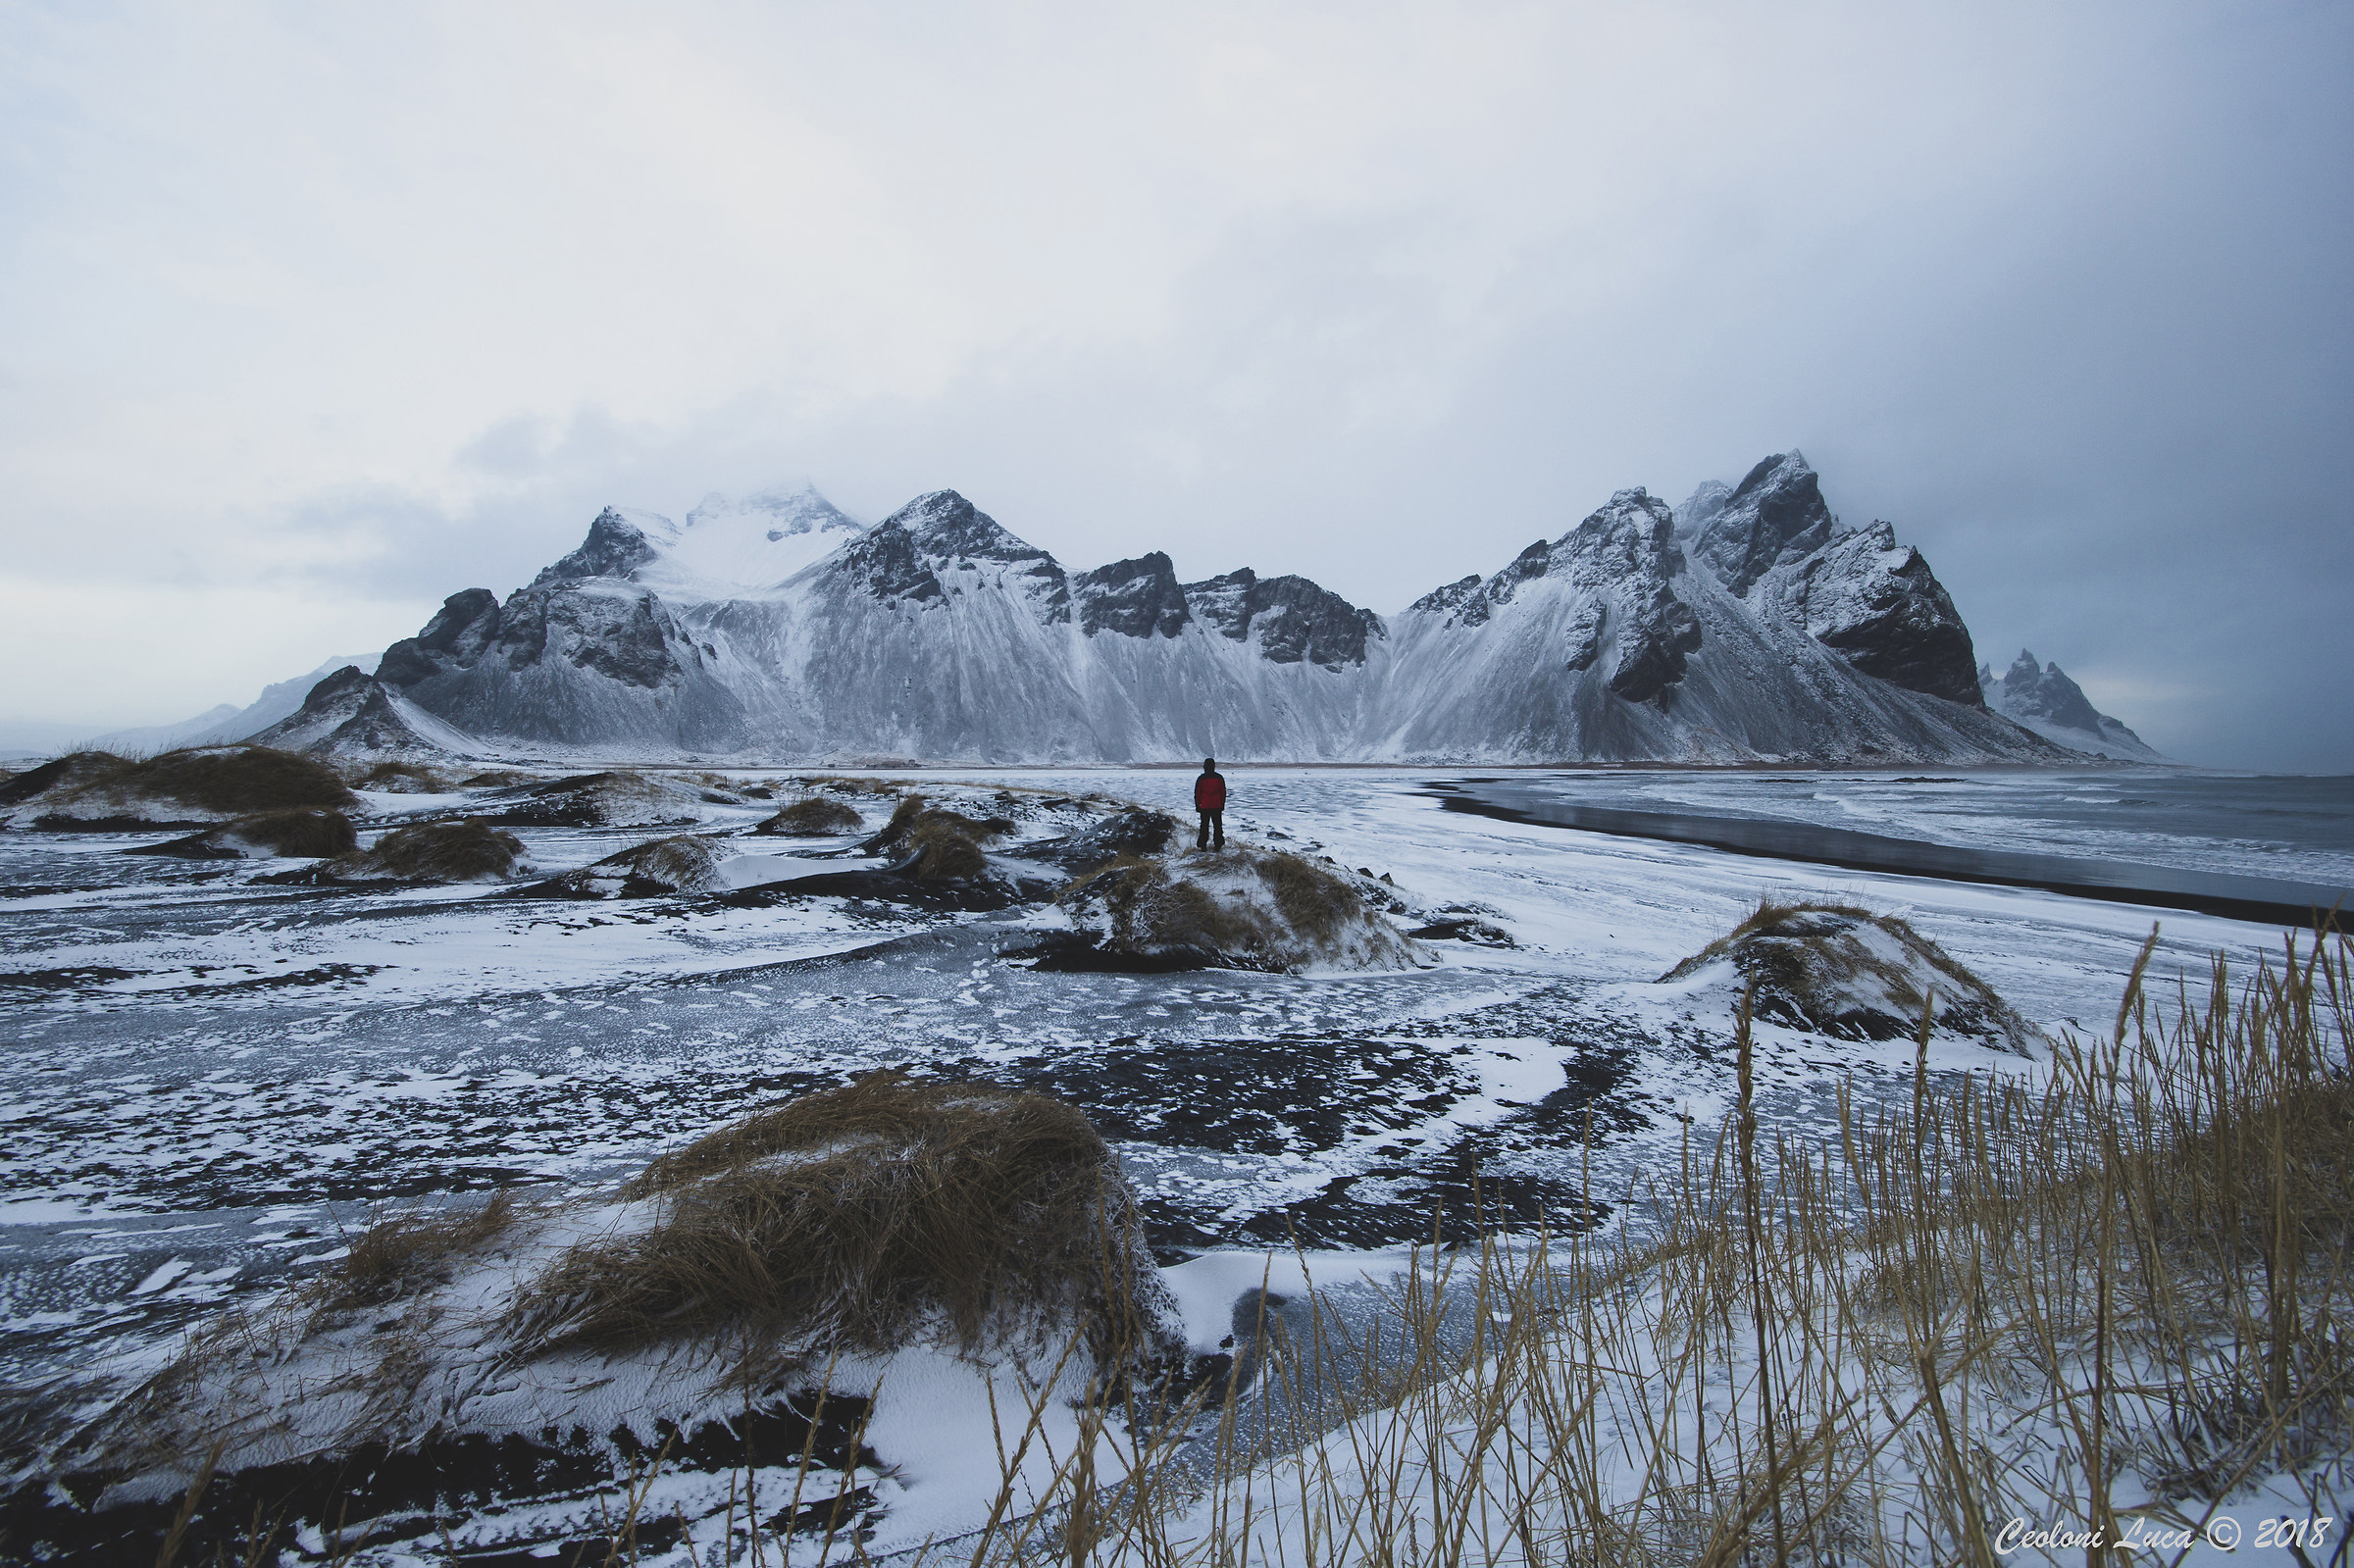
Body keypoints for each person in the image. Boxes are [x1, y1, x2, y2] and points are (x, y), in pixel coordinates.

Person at [1194, 757, 1226, 849]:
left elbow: (1197, 793)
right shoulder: (1219, 777)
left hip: (1204, 806)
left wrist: (1197, 805)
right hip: (1216, 805)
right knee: (1218, 825)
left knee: (1204, 825)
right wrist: (1222, 804)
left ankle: (1203, 844)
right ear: (1214, 766)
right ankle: (1218, 844)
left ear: (1204, 766)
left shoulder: (1201, 778)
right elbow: (1223, 792)